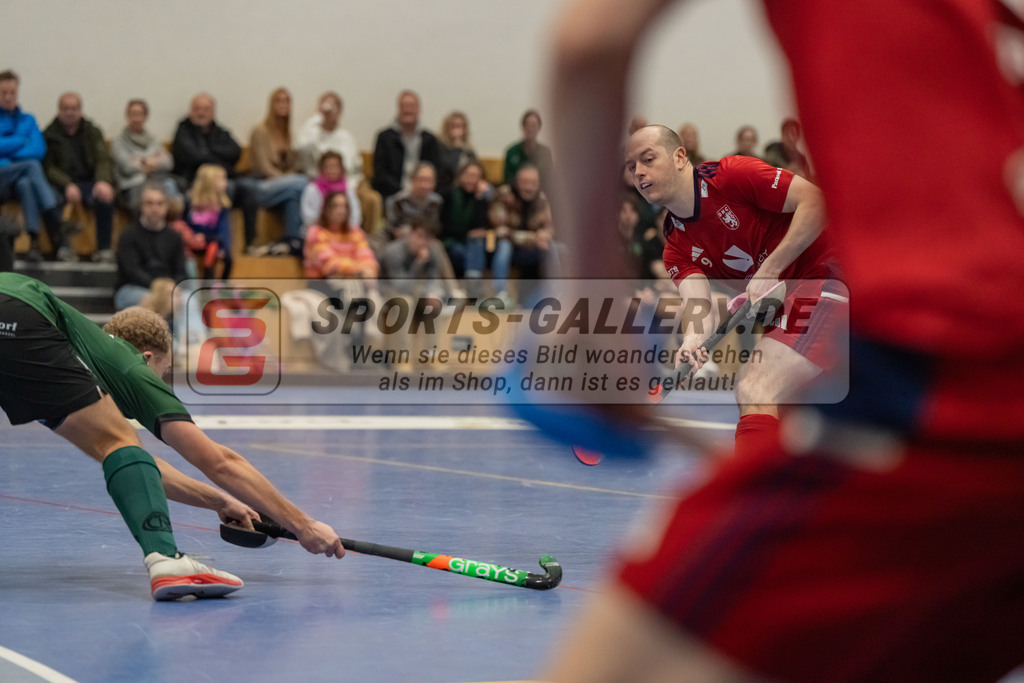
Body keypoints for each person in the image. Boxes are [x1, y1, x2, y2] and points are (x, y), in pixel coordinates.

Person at [542, 0, 1024, 681]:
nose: (640, 172)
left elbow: (588, 39)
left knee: (759, 385)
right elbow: (698, 303)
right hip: (926, 333)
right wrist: (691, 341)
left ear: (681, 154)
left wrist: (590, 337)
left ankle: (766, 519)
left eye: (648, 157)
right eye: (631, 169)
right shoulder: (678, 241)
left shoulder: (734, 175)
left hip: (906, 324)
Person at [0, 272, 345, 600]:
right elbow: (219, 461)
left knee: (116, 443)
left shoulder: (69, 362)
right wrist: (305, 525)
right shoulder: (128, 364)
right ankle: (167, 561)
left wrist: (219, 502)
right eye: (162, 374)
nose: (159, 382)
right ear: (148, 357)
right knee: (118, 440)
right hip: (15, 306)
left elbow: (137, 468)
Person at [0, 69, 75, 263]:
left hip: (17, 176)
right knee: (31, 166)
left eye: (12, 93)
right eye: (3, 93)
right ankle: (57, 224)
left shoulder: (28, 119)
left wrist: (9, 153)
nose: (8, 97)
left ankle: (33, 244)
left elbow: (38, 149)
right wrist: (19, 141)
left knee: (27, 182)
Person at [170, 93, 254, 247]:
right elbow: (191, 156)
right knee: (226, 187)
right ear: (191, 111)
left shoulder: (220, 132)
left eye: (205, 109)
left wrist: (206, 151)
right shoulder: (183, 130)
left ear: (213, 112)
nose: (201, 113)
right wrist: (219, 160)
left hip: (224, 179)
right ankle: (216, 238)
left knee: (248, 188)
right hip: (192, 181)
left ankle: (251, 243)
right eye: (197, 109)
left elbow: (235, 152)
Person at [42, 92, 115, 262]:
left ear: (80, 110)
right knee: (51, 201)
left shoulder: (92, 131)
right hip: (61, 183)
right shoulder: (49, 134)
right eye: (66, 108)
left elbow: (103, 159)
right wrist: (67, 184)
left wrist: (103, 181)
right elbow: (48, 167)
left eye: (73, 108)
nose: (70, 112)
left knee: (105, 198)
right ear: (59, 110)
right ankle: (63, 247)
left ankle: (104, 249)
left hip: (89, 181)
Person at [296, 91, 382, 233]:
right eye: (325, 106)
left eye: (333, 107)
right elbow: (301, 147)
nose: (329, 110)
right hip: (318, 183)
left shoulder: (346, 137)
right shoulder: (311, 134)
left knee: (372, 199)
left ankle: (364, 239)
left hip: (348, 183)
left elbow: (353, 167)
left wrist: (350, 186)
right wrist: (318, 117)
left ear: (340, 111)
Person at [246, 87, 308, 248]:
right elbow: (262, 166)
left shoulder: (291, 135)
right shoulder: (260, 131)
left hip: (284, 186)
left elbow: (295, 167)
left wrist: (288, 177)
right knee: (303, 183)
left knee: (294, 195)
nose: (283, 105)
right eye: (278, 101)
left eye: (287, 101)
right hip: (261, 184)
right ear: (271, 104)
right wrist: (286, 179)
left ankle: (293, 241)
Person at [114, 183, 188, 314]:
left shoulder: (175, 237)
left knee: (188, 301)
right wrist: (160, 289)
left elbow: (181, 272)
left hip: (169, 289)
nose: (155, 208)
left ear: (166, 206)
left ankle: (191, 335)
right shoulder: (128, 235)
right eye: (150, 203)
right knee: (153, 301)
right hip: (133, 288)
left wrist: (171, 287)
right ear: (142, 206)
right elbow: (131, 271)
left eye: (159, 203)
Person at [371, 90, 443, 202]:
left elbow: (436, 171)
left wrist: (420, 188)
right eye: (404, 106)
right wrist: (403, 190)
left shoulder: (429, 139)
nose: (408, 110)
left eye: (412, 106)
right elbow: (381, 174)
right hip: (393, 192)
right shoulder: (385, 138)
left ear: (419, 109)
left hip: (424, 193)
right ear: (398, 109)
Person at [111, 98, 179, 213]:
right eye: (133, 114)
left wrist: (140, 161)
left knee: (171, 186)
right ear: (127, 116)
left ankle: (173, 228)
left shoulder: (153, 140)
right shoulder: (119, 142)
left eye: (140, 114)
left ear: (146, 117)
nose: (136, 118)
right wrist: (149, 160)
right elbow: (126, 167)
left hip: (157, 181)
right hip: (132, 185)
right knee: (145, 195)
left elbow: (168, 162)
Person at [439, 160, 495, 286]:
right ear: (461, 175)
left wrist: (480, 199)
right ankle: (474, 287)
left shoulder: (481, 199)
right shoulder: (449, 195)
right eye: (468, 175)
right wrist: (466, 234)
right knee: (469, 253)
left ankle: (472, 284)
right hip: (450, 241)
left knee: (477, 244)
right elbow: (445, 227)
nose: (471, 179)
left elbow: (480, 227)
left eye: (475, 176)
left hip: (472, 244)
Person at [303, 191, 378, 279]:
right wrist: (357, 270)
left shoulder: (355, 233)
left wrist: (367, 269)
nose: (341, 211)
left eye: (344, 207)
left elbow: (366, 257)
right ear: (326, 209)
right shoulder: (315, 233)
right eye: (335, 206)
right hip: (322, 283)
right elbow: (329, 263)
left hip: (353, 281)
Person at [184, 164, 233, 279]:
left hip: (212, 241)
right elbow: (184, 223)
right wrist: (192, 236)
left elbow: (224, 230)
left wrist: (223, 247)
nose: (225, 183)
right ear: (209, 181)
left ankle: (219, 284)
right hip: (191, 240)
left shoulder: (222, 207)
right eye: (221, 179)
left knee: (226, 256)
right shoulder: (190, 203)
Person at [300, 151, 362, 235]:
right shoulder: (312, 189)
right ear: (321, 169)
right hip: (319, 233)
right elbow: (307, 217)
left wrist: (342, 227)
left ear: (341, 169)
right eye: (328, 167)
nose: (332, 170)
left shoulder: (348, 189)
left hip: (344, 233)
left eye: (335, 166)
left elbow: (356, 216)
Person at [502, 109, 553, 188]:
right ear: (523, 127)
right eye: (527, 125)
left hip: (540, 195)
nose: (530, 129)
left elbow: (550, 181)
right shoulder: (511, 152)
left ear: (539, 128)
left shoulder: (545, 153)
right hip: (516, 195)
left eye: (533, 126)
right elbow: (506, 181)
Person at [436, 110, 478, 195]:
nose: (457, 131)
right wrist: (457, 148)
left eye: (460, 127)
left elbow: (475, 168)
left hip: (466, 188)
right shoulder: (440, 147)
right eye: (454, 126)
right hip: (446, 189)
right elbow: (450, 170)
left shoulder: (469, 150)